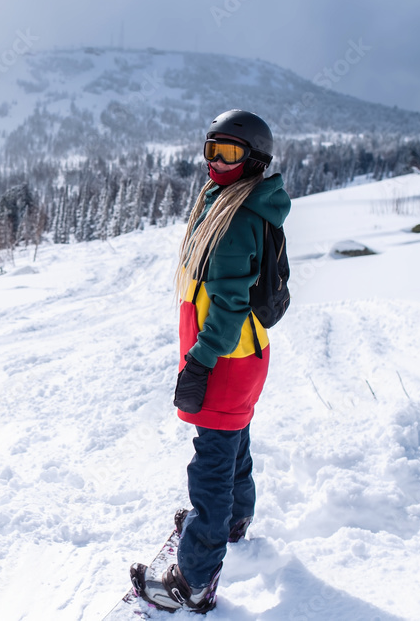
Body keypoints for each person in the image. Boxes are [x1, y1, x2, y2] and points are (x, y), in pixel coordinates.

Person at [131, 109, 291, 614]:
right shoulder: (231, 202)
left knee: (212, 464)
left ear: (255, 161)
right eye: (211, 149)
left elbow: (228, 303)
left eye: (230, 153)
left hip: (224, 357)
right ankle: (234, 519)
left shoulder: (237, 219)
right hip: (243, 354)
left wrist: (199, 362)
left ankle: (194, 579)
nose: (216, 162)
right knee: (232, 441)